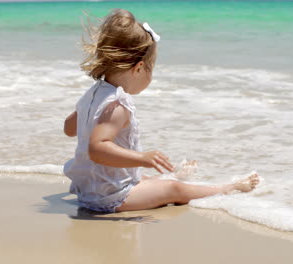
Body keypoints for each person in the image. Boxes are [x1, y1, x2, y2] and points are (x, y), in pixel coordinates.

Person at [63, 9, 259, 213]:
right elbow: (97, 149)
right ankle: (228, 188)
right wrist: (142, 158)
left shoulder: (94, 94)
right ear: (138, 68)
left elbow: (69, 129)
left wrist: (87, 116)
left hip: (89, 188)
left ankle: (175, 176)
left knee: (143, 177)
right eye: (151, 68)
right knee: (172, 189)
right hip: (108, 197)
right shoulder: (117, 106)